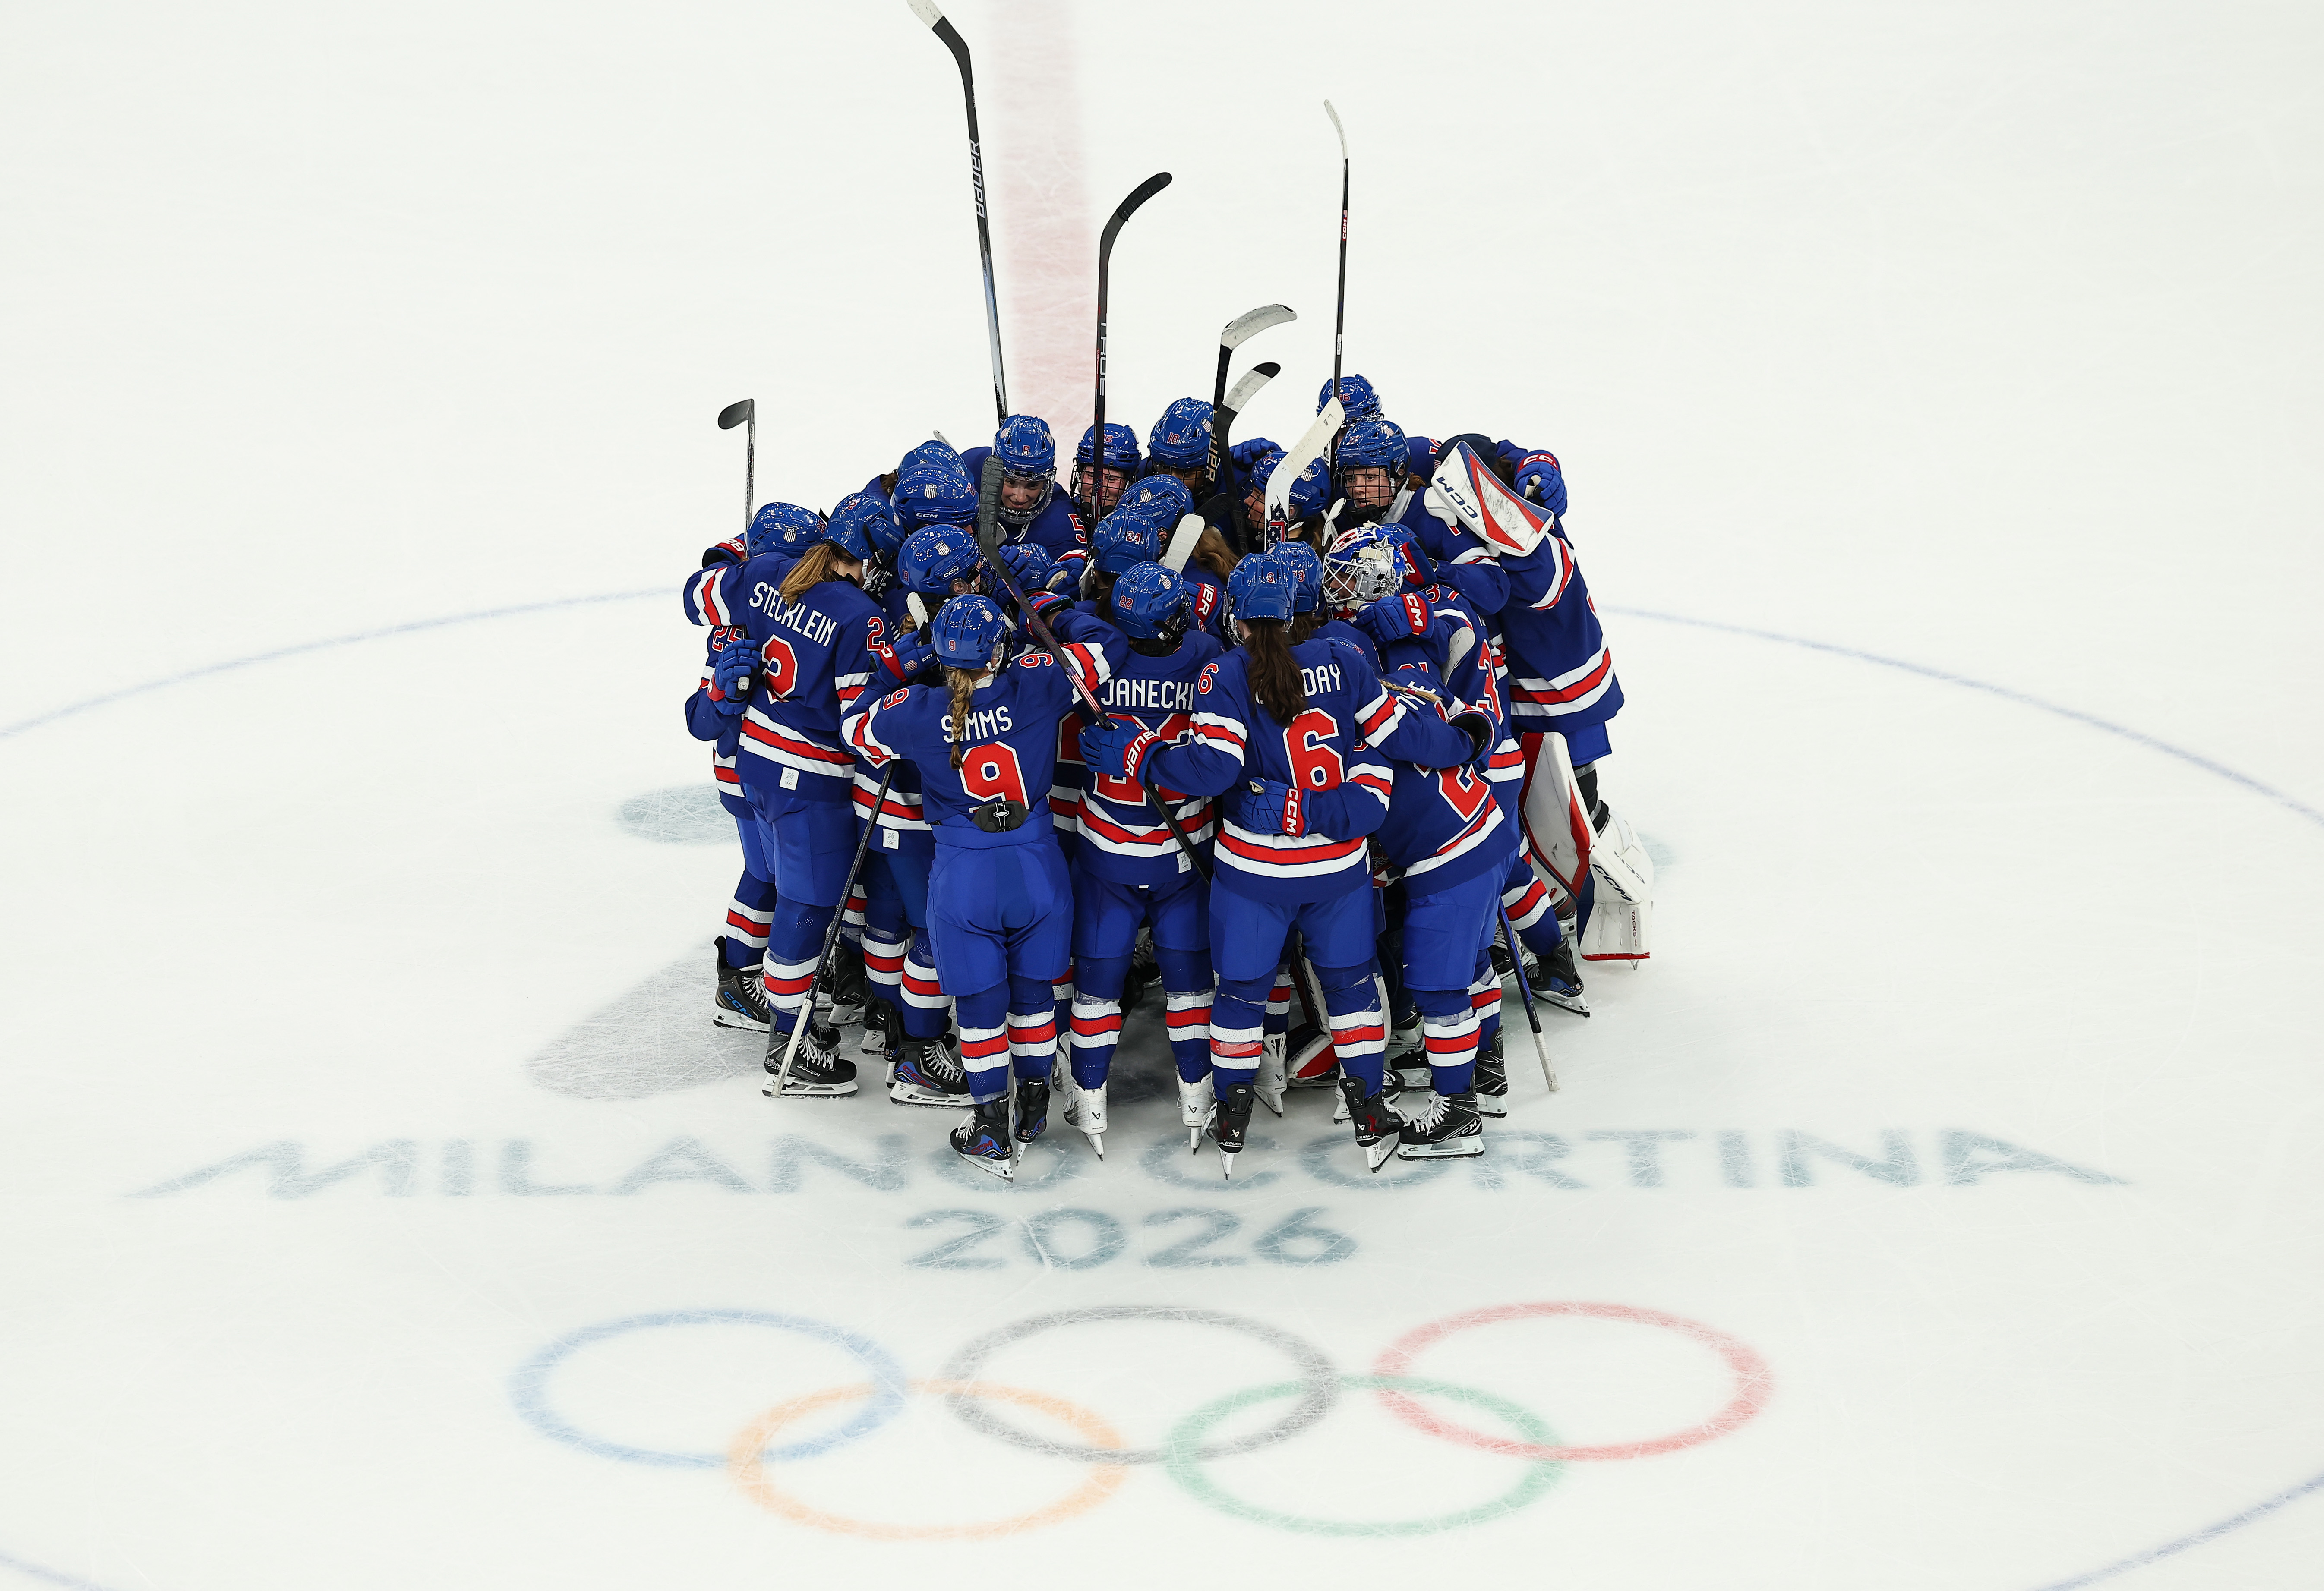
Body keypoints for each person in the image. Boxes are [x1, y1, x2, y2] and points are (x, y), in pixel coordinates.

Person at [1079, 554, 1489, 1176]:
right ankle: (1370, 1110)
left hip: (1254, 874)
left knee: (1240, 994)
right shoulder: (1348, 661)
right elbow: (1399, 736)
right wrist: (1464, 739)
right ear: (1301, 609)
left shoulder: (1225, 672)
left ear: (1238, 621)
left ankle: (1233, 1114)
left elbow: (1214, 769)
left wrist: (1143, 753)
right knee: (1351, 990)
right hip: (1339, 872)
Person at [845, 594, 1124, 1180]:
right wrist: (1049, 610)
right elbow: (1108, 647)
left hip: (965, 872)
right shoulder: (1036, 680)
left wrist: (896, 669)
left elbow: (855, 727)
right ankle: (1032, 1109)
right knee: (1033, 996)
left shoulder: (918, 708)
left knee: (978, 1007)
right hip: (1037, 864)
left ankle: (992, 1128)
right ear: (999, 648)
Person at [683, 505, 887, 1098]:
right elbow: (860, 727)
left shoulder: (767, 569)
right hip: (812, 784)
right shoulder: (861, 616)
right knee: (805, 909)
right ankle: (789, 1044)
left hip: (753, 764)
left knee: (778, 887)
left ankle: (784, 1015)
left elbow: (698, 599)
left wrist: (728, 557)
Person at [1061, 560, 1223, 1156]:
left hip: (1109, 850)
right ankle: (1198, 1096)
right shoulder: (1206, 651)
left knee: (1097, 983)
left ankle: (1090, 1094)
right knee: (1189, 985)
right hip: (1184, 847)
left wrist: (1063, 610)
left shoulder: (1097, 659)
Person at [684, 501, 821, 1030]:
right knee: (770, 877)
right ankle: (744, 979)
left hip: (769, 769)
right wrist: (722, 693)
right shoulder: (733, 628)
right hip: (750, 770)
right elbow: (701, 722)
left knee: (767, 875)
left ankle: (749, 975)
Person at [960, 414, 1089, 589]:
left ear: (1046, 482)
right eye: (1011, 482)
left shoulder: (1061, 523)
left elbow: (1071, 585)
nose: (1020, 497)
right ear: (994, 473)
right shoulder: (969, 471)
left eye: (1033, 485)